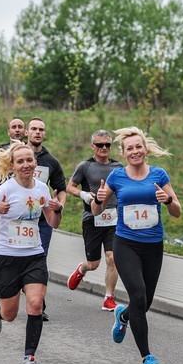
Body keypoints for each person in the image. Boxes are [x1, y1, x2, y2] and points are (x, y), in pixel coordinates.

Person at [92, 126, 181, 364]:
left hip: (153, 246)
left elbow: (177, 211)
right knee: (139, 296)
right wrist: (98, 199)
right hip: (126, 244)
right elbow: (98, 211)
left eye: (138, 146)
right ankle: (147, 358)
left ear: (145, 149)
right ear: (123, 152)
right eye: (129, 148)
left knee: (145, 302)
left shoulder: (159, 175)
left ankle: (123, 316)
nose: (135, 151)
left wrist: (168, 201)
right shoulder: (117, 177)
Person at [0, 141, 62, 364]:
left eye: (29, 160)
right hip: (6, 257)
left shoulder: (42, 189)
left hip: (34, 255)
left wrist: (57, 209)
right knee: (10, 315)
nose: (26, 165)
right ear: (12, 166)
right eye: (21, 161)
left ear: (35, 163)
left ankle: (29, 358)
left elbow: (53, 223)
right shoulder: (6, 189)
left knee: (35, 304)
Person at [66, 130, 123, 311]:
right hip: (92, 218)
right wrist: (84, 195)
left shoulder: (118, 167)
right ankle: (82, 269)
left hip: (114, 219)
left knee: (112, 258)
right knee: (94, 264)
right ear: (93, 147)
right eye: (100, 145)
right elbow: (70, 187)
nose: (104, 148)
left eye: (107, 145)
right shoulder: (85, 166)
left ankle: (108, 298)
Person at [26, 117, 67, 322]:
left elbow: (62, 190)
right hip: (20, 219)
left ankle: (38, 304)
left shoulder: (51, 162)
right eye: (33, 129)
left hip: (42, 220)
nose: (37, 132)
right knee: (19, 259)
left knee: (40, 259)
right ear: (26, 132)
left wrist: (59, 206)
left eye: (41, 129)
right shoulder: (15, 156)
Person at [0, 118, 26, 193]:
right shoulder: (0, 151)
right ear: (8, 132)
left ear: (25, 131)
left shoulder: (29, 150)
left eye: (20, 127)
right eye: (14, 127)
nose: (17, 130)